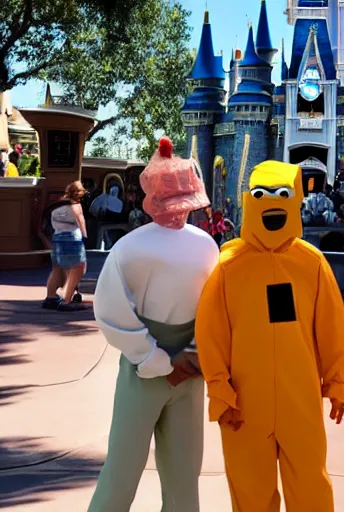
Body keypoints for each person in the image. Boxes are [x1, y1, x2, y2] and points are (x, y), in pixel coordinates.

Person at [195, 161, 344, 512]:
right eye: (263, 195)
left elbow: (332, 327)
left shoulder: (310, 263)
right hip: (244, 403)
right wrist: (220, 391)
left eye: (282, 195)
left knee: (311, 487)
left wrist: (337, 382)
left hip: (301, 398)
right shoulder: (228, 266)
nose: (273, 204)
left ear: (294, 200)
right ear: (249, 200)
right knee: (250, 492)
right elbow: (211, 333)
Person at [88, 137, 219, 512]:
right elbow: (111, 310)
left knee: (183, 473)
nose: (178, 213)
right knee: (123, 468)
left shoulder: (205, 247)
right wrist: (162, 358)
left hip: (183, 368)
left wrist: (190, 354)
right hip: (152, 366)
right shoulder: (132, 248)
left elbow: (214, 305)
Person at [42, 181, 88, 311]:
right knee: (75, 269)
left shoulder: (56, 205)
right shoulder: (75, 206)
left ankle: (50, 298)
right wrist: (85, 236)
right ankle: (66, 301)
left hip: (57, 237)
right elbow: (81, 222)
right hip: (72, 238)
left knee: (57, 268)